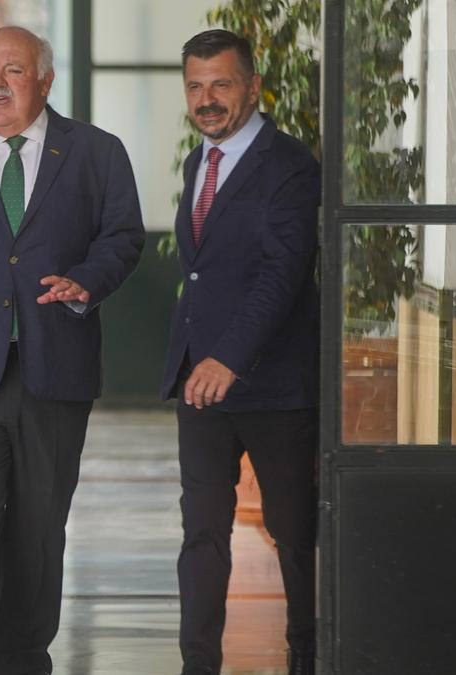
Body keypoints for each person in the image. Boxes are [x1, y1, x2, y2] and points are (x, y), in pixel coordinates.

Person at [0, 26, 145, 675]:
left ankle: (20, 655)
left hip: (55, 367)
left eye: (12, 69)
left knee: (38, 523)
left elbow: (124, 236)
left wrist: (88, 279)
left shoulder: (96, 152)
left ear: (44, 80)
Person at [161, 29, 320, 675]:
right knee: (201, 534)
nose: (207, 100)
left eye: (221, 84)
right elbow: (202, 273)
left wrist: (229, 356)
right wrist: (206, 360)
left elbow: (282, 274)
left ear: (253, 86)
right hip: (202, 388)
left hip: (273, 388)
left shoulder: (290, 166)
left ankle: (307, 656)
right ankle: (197, 663)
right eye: (196, 86)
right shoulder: (199, 162)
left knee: (294, 535)